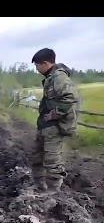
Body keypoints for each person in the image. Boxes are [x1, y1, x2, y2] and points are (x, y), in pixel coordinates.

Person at [30, 48, 79, 193]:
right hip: (45, 126)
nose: (37, 69)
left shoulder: (59, 77)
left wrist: (54, 114)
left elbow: (70, 97)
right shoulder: (50, 77)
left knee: (52, 161)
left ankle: (53, 192)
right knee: (36, 157)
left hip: (55, 126)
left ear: (45, 63)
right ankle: (39, 187)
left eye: (37, 65)